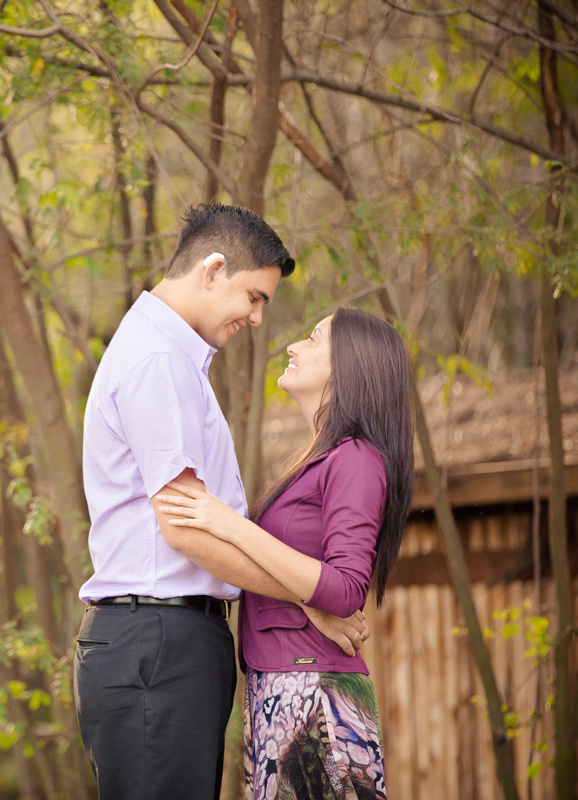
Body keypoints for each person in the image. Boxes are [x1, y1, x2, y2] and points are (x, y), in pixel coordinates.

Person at [75, 204, 370, 800]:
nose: (259, 318)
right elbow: (188, 529)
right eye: (254, 297)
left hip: (165, 642)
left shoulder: (176, 360)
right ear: (212, 271)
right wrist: (308, 597)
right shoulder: (158, 361)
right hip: (155, 642)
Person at [155, 307, 414, 800]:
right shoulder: (322, 460)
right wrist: (305, 603)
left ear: (349, 368)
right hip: (281, 693)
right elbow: (312, 584)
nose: (294, 347)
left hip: (315, 703)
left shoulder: (357, 459)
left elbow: (345, 588)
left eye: (313, 339)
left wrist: (230, 524)